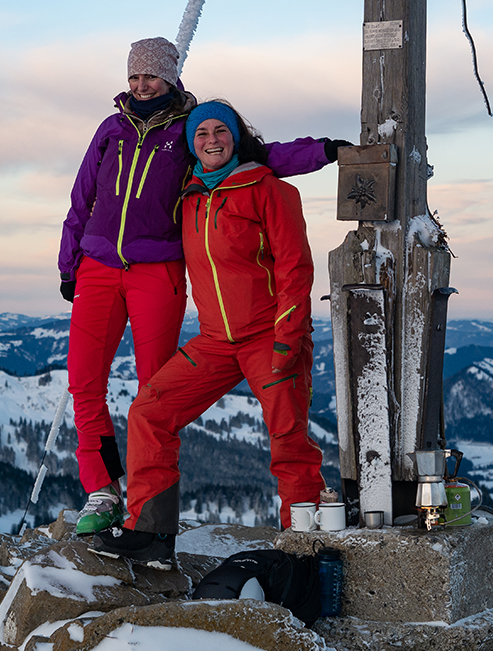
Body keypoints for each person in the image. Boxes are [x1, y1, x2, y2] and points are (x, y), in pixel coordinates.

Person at [59, 37, 348, 535]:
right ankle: (121, 507)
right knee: (107, 391)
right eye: (133, 76)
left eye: (150, 75)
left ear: (170, 77)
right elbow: (82, 195)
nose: (140, 84)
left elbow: (264, 159)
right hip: (113, 275)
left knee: (180, 398)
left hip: (171, 280)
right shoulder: (119, 134)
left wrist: (323, 151)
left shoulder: (201, 147)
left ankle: (300, 540)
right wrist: (70, 262)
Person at [90, 100, 326, 569]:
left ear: (236, 137)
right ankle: (151, 533)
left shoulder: (269, 190)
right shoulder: (190, 193)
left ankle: (304, 552)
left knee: (289, 441)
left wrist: (289, 337)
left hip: (268, 336)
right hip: (215, 340)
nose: (212, 140)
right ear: (191, 143)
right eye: (201, 133)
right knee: (150, 411)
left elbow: (296, 270)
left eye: (221, 131)